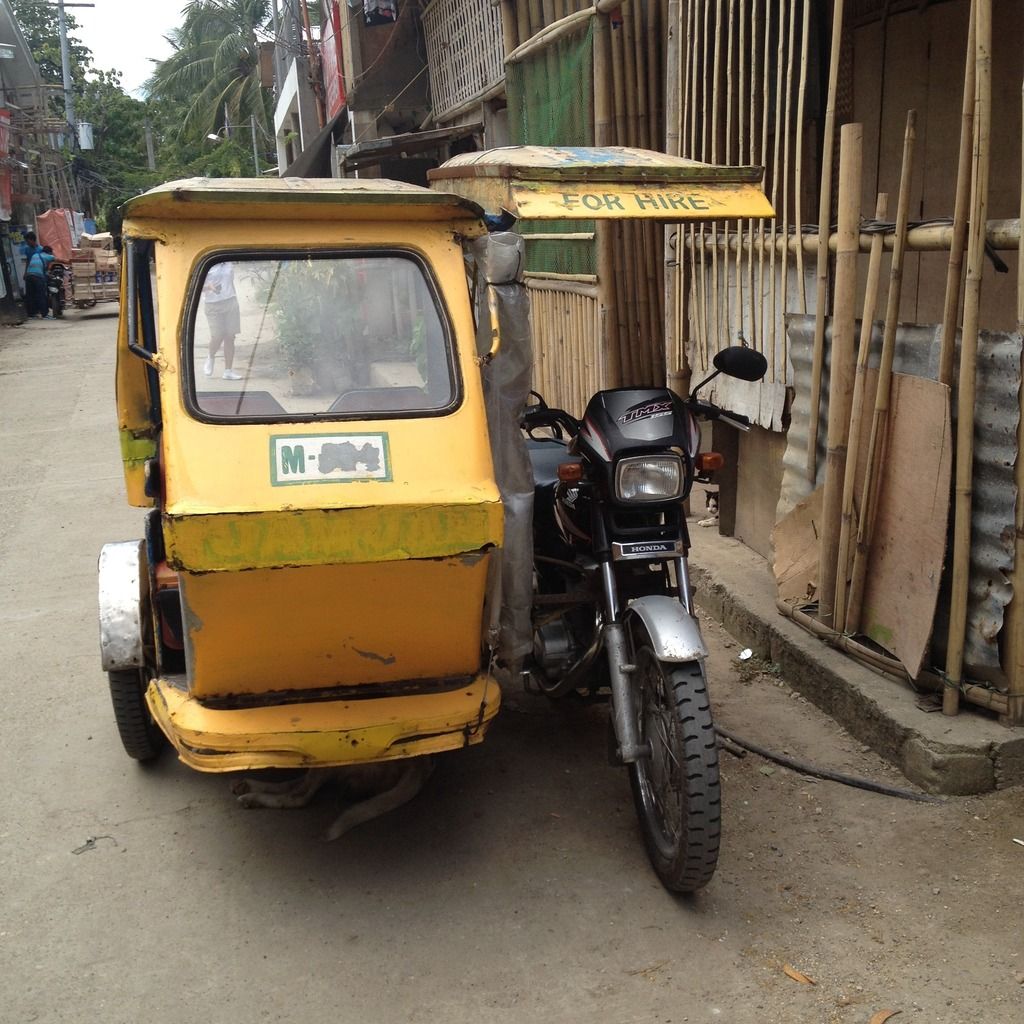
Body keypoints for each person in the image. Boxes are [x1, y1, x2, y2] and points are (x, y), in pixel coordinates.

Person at [201, 261, 243, 380]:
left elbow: (230, 282)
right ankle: (210, 356)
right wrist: (208, 287)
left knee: (230, 336)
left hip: (230, 301)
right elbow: (195, 285)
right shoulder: (208, 262)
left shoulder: (228, 263)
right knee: (217, 335)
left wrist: (235, 299)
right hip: (212, 304)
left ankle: (228, 371)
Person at [24, 241, 55, 319]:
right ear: (49, 252)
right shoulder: (49, 256)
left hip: (29, 276)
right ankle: (45, 314)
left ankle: (31, 314)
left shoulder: (35, 255)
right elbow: (57, 259)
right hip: (37, 277)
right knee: (41, 295)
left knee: (30, 295)